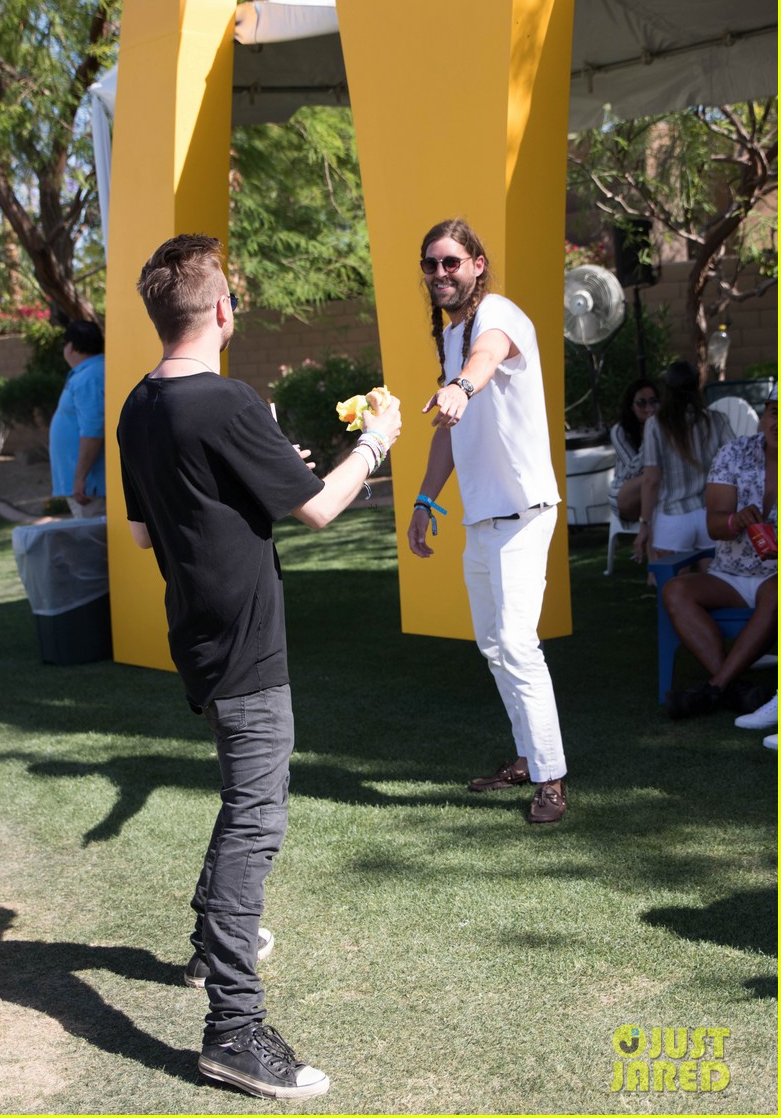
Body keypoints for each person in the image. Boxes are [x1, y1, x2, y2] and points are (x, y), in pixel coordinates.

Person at [117, 233, 401, 1100]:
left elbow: (142, 528)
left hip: (198, 636)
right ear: (223, 310)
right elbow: (318, 507)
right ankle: (233, 1031)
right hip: (243, 643)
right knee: (255, 818)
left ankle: (211, 945)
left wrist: (251, 471)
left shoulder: (139, 405)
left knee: (244, 800)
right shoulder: (229, 403)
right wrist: (378, 442)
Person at [407, 218, 567, 824]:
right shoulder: (450, 337)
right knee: (495, 646)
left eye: (451, 262)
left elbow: (486, 356)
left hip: (525, 514)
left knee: (519, 646)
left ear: (477, 263)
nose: (441, 273)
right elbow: (449, 433)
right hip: (482, 518)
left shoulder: (497, 312)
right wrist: (424, 502)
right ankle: (527, 758)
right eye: (431, 264)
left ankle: (552, 777)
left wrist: (462, 387)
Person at [662, 385, 777, 718]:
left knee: (776, 593)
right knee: (676, 590)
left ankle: (714, 689)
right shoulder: (736, 452)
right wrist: (735, 520)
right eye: (774, 413)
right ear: (765, 414)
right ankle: (732, 687)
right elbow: (714, 525)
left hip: (776, 578)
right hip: (729, 575)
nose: (777, 424)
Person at [633, 360, 733, 564]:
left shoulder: (655, 425)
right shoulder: (717, 420)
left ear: (667, 389)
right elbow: (736, 463)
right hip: (711, 514)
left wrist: (645, 524)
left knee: (674, 590)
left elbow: (651, 480)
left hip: (672, 518)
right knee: (712, 588)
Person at [49, 320, 106, 517]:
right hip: (89, 487)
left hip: (91, 489)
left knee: (95, 546)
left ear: (71, 346)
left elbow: (93, 430)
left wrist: (80, 478)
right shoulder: (89, 373)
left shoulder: (90, 377)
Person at [608, 378, 660, 521]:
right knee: (655, 475)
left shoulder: (664, 426)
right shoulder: (619, 431)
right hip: (624, 492)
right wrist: (650, 436)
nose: (648, 407)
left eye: (653, 401)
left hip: (653, 491)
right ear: (631, 406)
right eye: (641, 403)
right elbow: (633, 470)